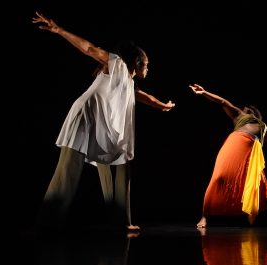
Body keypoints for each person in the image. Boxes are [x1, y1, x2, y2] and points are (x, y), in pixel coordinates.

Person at [32, 12, 176, 232]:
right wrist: (59, 30)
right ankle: (46, 223)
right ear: (137, 62)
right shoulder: (115, 64)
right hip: (85, 119)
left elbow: (142, 96)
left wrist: (162, 105)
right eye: (146, 64)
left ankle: (121, 221)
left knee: (121, 162)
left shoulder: (127, 81)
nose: (148, 68)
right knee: (68, 171)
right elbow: (89, 48)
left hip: (103, 127)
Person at [189, 84, 267, 228]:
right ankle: (205, 217)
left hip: (251, 153)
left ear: (253, 112)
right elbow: (223, 102)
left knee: (259, 183)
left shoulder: (262, 126)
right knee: (218, 177)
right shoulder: (240, 116)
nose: (242, 109)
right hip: (234, 145)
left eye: (246, 109)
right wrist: (204, 92)